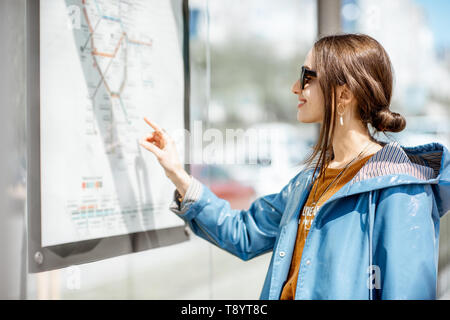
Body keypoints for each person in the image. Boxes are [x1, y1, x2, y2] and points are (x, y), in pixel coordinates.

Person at [139, 33, 450, 300]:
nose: (294, 87)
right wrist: (178, 175)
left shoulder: (402, 190)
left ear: (343, 94)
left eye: (306, 76)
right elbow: (245, 233)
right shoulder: (310, 180)